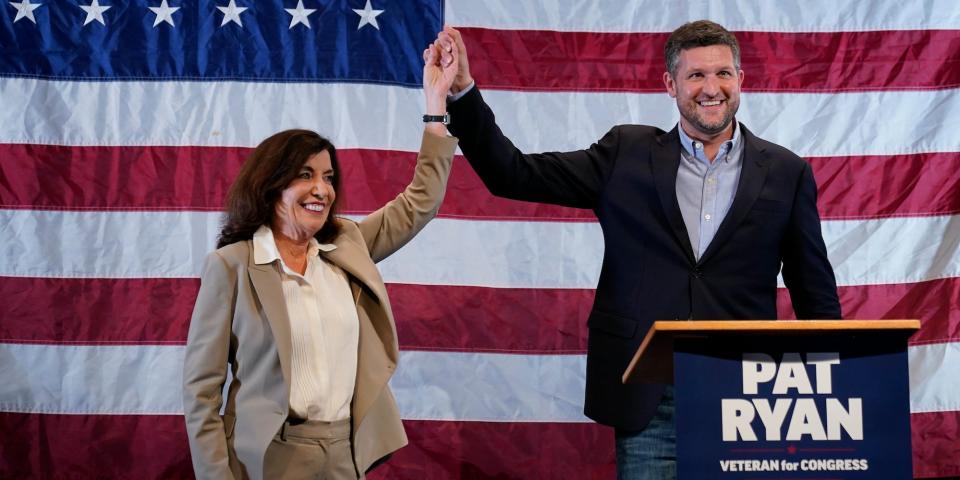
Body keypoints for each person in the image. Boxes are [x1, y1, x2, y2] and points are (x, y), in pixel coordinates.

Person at [434, 20, 841, 479]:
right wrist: (464, 91)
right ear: (670, 84)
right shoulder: (625, 153)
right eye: (696, 76)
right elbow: (513, 174)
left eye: (723, 74)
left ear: (741, 80)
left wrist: (833, 384)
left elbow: (814, 290)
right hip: (650, 395)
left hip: (747, 392)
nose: (712, 88)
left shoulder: (787, 171)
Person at [182, 42, 459, 479]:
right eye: (306, 175)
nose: (322, 190)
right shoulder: (232, 265)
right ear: (271, 187)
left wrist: (435, 104)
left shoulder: (346, 243)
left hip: (344, 454)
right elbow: (201, 391)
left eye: (328, 177)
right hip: (268, 458)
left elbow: (420, 204)